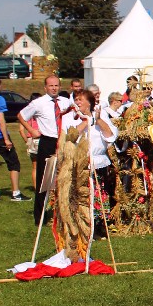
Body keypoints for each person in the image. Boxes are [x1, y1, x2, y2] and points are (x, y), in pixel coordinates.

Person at [62, 89, 118, 231]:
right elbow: (71, 136)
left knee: (100, 194)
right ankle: (81, 223)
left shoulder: (100, 115)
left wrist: (97, 120)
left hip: (98, 163)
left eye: (81, 99)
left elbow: (110, 136)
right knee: (81, 194)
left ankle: (99, 224)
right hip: (79, 163)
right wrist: (86, 121)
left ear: (89, 102)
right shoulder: (69, 117)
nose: (78, 102)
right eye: (76, 99)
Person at [18, 75, 72, 223]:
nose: (54, 88)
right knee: (45, 180)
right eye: (51, 86)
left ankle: (63, 213)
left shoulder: (66, 102)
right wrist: (31, 130)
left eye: (56, 85)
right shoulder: (38, 103)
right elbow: (21, 115)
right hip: (47, 141)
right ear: (45, 87)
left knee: (65, 177)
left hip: (63, 140)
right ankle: (40, 216)